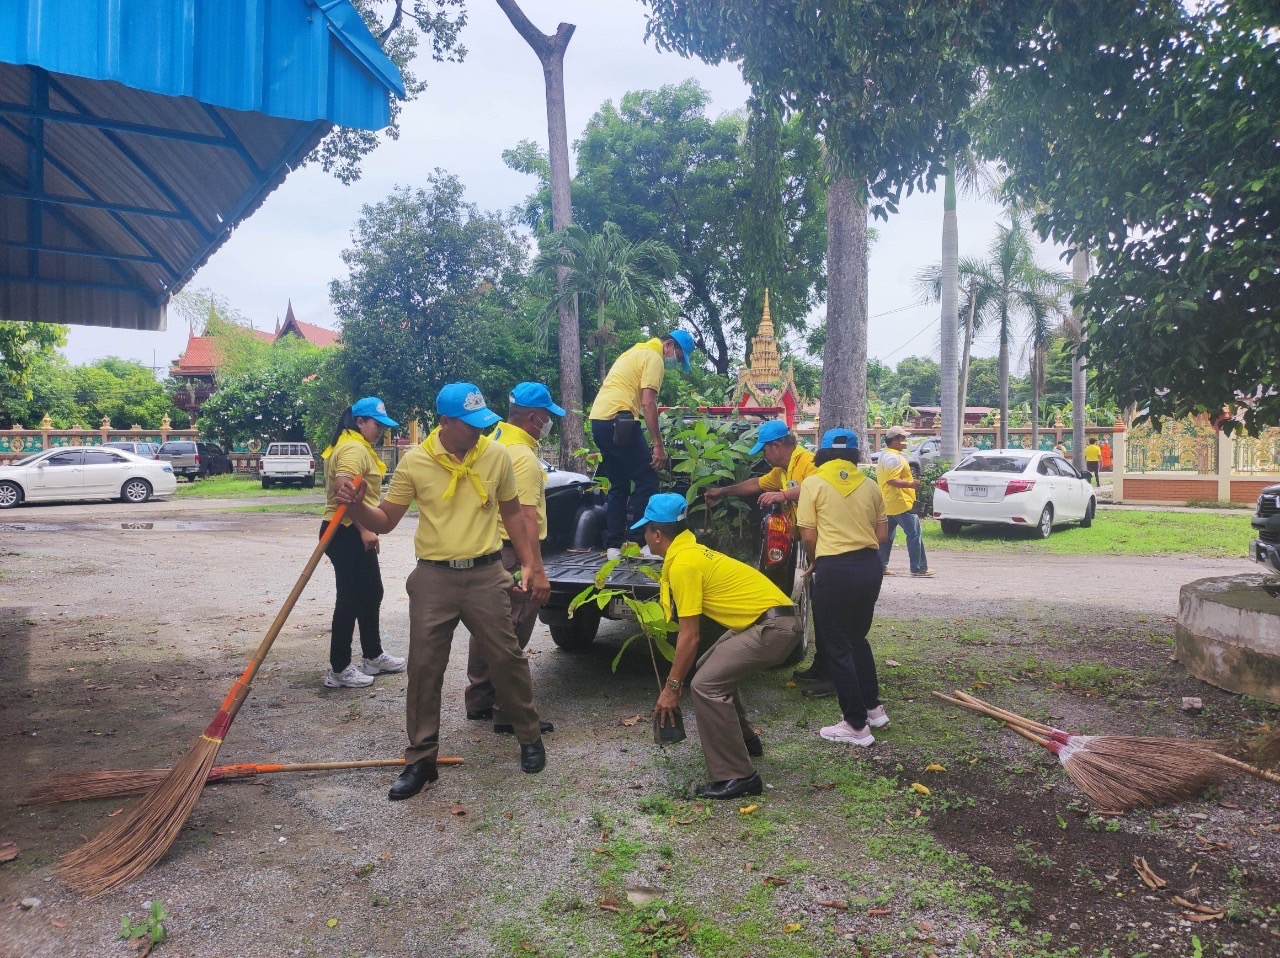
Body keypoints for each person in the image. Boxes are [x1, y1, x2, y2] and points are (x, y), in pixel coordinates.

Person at [336, 383, 552, 801]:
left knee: (507, 658)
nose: (478, 432)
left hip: (487, 573)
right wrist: (355, 505)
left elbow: (512, 510)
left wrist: (528, 562)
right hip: (433, 578)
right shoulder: (416, 463)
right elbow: (383, 520)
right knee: (424, 669)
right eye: (469, 425)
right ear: (445, 422)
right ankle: (421, 760)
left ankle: (529, 736)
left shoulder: (498, 455)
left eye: (482, 423)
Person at [641, 493, 803, 800]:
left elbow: (690, 636)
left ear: (658, 534)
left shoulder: (684, 565)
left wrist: (671, 688)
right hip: (772, 620)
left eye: (646, 531)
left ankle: (738, 776)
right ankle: (745, 740)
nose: (645, 537)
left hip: (774, 627)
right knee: (708, 668)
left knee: (705, 685)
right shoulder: (693, 551)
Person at [465, 382, 564, 735]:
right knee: (512, 631)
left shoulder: (492, 445)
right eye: (548, 417)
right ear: (534, 418)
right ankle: (507, 711)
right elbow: (523, 516)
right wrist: (534, 567)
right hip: (512, 550)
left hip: (489, 548)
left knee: (488, 627)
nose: (550, 422)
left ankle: (478, 699)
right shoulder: (521, 457)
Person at [704, 420, 828, 692]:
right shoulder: (781, 470)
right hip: (809, 542)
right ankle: (823, 664)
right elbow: (756, 485)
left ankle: (828, 669)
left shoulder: (806, 461)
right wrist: (722, 492)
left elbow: (816, 488)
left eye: (765, 450)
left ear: (778, 445)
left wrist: (782, 495)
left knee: (825, 606)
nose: (763, 456)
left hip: (823, 542)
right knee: (818, 603)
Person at [797, 428, 890, 747]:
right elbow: (881, 536)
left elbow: (808, 536)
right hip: (868, 567)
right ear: (855, 454)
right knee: (856, 638)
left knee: (837, 646)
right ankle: (873, 707)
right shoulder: (871, 486)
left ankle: (855, 725)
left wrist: (814, 562)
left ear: (821, 453)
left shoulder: (813, 483)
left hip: (834, 569)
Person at [318, 397, 406, 689]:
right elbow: (345, 490)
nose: (380, 429)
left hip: (351, 529)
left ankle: (372, 655)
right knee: (350, 599)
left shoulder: (355, 445)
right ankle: (340, 669)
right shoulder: (353, 448)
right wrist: (363, 528)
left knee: (371, 592)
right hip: (344, 530)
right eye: (376, 424)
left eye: (382, 425)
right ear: (359, 422)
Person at [588, 329, 697, 558]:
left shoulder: (635, 351)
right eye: (678, 356)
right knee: (647, 479)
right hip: (621, 421)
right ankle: (640, 542)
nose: (675, 362)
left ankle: (614, 546)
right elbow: (648, 402)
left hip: (600, 421)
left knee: (618, 483)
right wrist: (658, 444)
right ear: (669, 345)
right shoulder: (654, 358)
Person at [876, 425, 934, 577]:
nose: (905, 441)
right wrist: (911, 484)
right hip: (901, 503)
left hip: (888, 503)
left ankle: (880, 566)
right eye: (902, 438)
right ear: (894, 440)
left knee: (887, 537)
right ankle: (919, 567)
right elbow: (891, 480)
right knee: (914, 534)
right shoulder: (894, 458)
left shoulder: (885, 455)